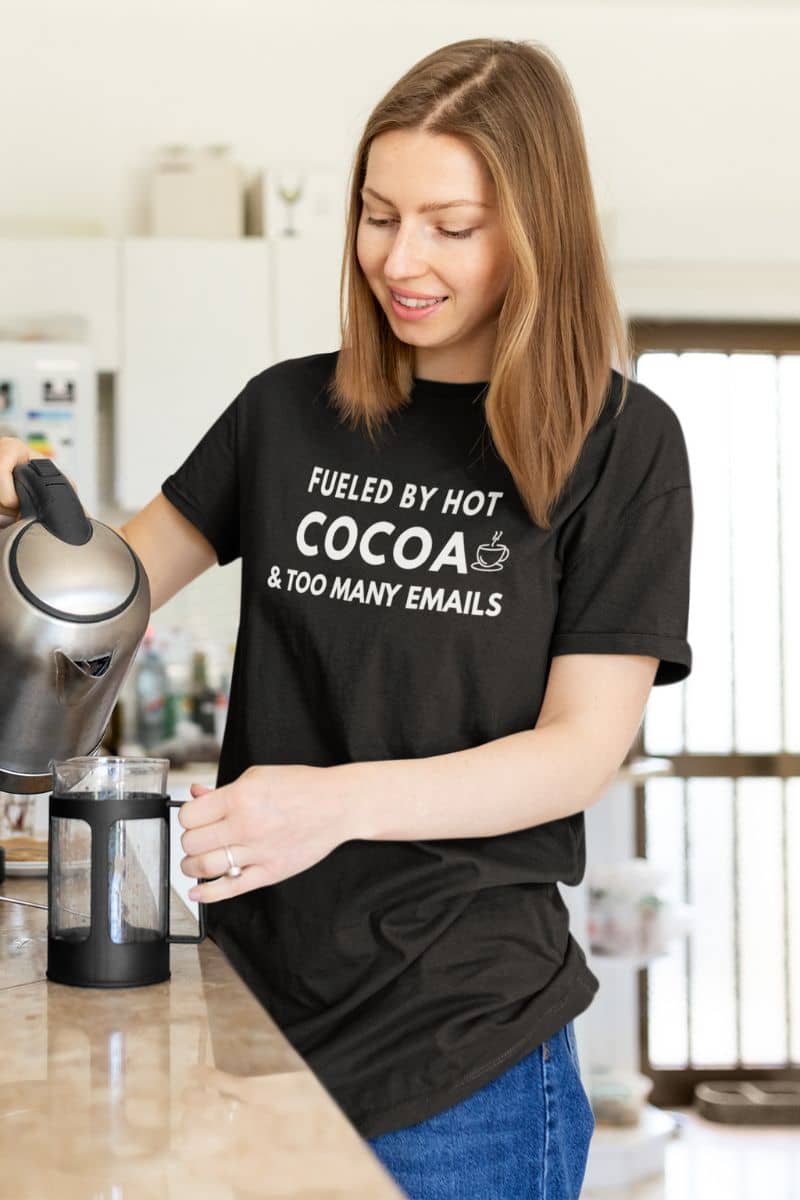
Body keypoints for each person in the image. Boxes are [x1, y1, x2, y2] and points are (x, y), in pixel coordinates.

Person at [0, 36, 693, 1200]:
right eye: (376, 216)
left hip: (466, 1052)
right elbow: (107, 594)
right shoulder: (284, 413)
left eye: (449, 226)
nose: (399, 258)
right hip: (255, 1018)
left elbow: (580, 750)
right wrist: (27, 502)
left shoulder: (619, 446)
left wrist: (332, 802)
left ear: (538, 228)